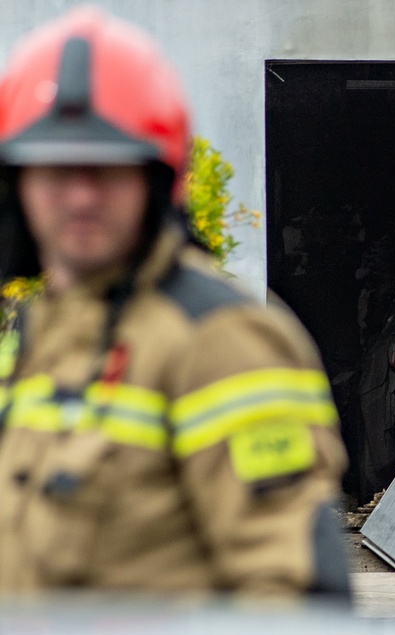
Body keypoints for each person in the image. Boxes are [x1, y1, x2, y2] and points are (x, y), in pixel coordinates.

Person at [0, 7, 351, 597]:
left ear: (157, 181)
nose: (82, 196)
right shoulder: (36, 334)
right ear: (19, 185)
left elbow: (291, 594)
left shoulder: (223, 339)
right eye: (59, 169)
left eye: (108, 170)